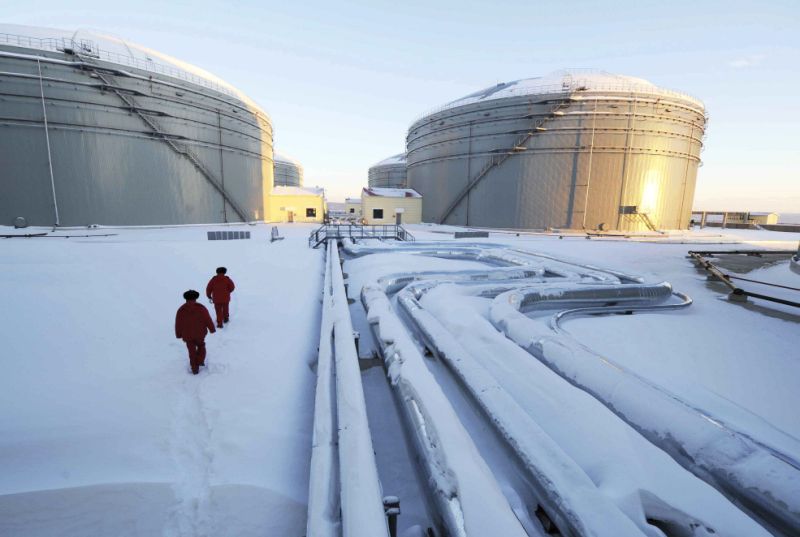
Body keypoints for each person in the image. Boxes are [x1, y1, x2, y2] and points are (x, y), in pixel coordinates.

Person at [175, 290, 216, 375]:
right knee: (201, 346)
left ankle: (194, 368)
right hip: (200, 333)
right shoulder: (201, 308)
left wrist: (178, 334)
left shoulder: (181, 310)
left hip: (187, 335)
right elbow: (207, 319)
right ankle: (200, 361)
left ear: (185, 299)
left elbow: (178, 323)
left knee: (191, 351)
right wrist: (212, 329)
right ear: (196, 298)